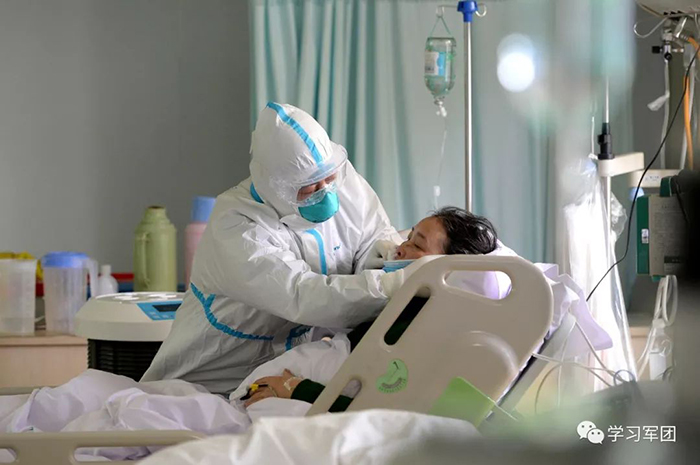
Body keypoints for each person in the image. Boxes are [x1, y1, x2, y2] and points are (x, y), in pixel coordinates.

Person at [142, 102, 424, 394]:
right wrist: (389, 284)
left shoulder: (341, 178)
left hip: (284, 375)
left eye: (329, 178)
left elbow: (372, 236)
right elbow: (302, 294)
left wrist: (389, 260)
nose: (326, 191)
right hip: (210, 377)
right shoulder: (237, 224)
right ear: (276, 186)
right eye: (310, 187)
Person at [241, 207, 500, 409]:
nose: (400, 248)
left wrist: (295, 388)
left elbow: (383, 412)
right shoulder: (409, 307)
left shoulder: (424, 329)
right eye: (408, 238)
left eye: (417, 245)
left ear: (450, 267)